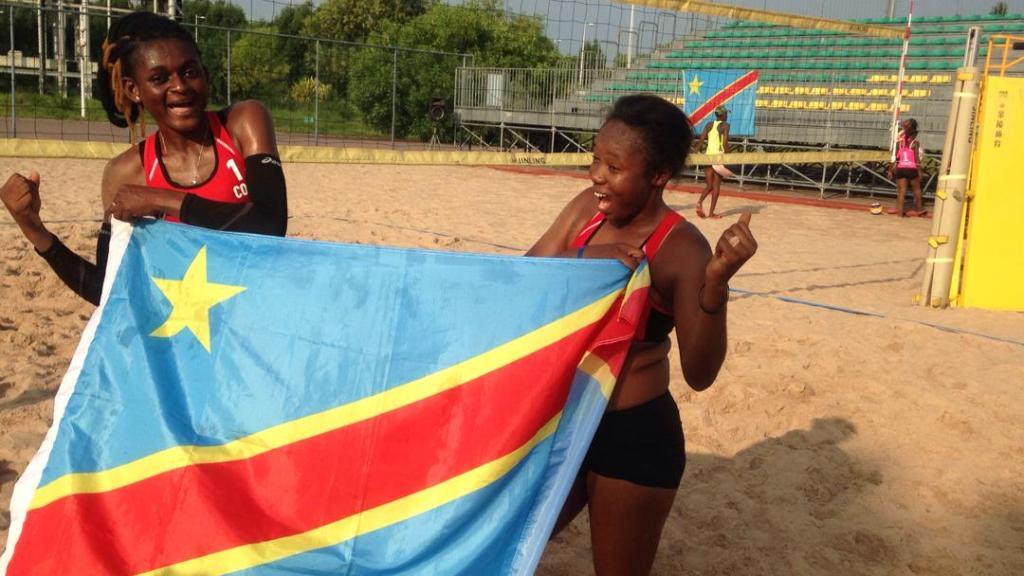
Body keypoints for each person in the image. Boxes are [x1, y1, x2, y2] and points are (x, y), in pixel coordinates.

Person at [527, 94, 757, 575]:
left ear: (658, 175)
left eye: (613, 167)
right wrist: (585, 258)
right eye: (595, 159)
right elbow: (523, 279)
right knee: (507, 548)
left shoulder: (681, 248)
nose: (596, 175)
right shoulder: (586, 212)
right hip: (561, 421)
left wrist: (716, 286)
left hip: (631, 434)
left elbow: (700, 373)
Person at [0, 11, 287, 306]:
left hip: (255, 316)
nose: (180, 86)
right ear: (133, 89)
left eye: (190, 72)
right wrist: (34, 229)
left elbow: (271, 225)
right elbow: (107, 289)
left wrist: (161, 199)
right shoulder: (126, 172)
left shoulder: (242, 123)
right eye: (159, 78)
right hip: (191, 326)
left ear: (206, 74)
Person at [693, 105, 731, 219]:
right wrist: (729, 155)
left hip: (707, 157)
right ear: (723, 115)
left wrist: (694, 152)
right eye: (726, 114)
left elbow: (701, 141)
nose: (727, 115)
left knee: (709, 185)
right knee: (716, 186)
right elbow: (724, 142)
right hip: (718, 157)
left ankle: (699, 202)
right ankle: (711, 213)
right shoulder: (725, 125)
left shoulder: (709, 124)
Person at [887, 118, 926, 217]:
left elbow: (895, 158)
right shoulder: (915, 143)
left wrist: (890, 170)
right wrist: (920, 171)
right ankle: (919, 209)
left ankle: (900, 212)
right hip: (911, 168)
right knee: (916, 189)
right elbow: (916, 159)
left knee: (901, 192)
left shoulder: (899, 143)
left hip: (901, 168)